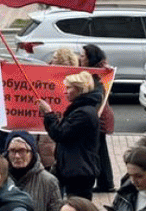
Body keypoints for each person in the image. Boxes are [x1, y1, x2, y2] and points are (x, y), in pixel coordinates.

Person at [38, 71, 103, 199]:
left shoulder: (84, 113)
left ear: (79, 89)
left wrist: (49, 114)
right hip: (74, 168)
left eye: (69, 88)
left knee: (78, 208)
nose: (65, 91)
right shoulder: (82, 109)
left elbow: (60, 134)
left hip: (79, 171)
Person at [3, 130, 63, 211]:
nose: (17, 156)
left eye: (22, 151)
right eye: (13, 151)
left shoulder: (48, 181)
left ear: (32, 153)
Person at [80, 44, 115, 193]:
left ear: (90, 58)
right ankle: (106, 182)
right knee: (101, 151)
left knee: (99, 151)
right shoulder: (94, 71)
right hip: (98, 117)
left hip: (98, 118)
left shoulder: (98, 74)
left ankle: (106, 183)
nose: (80, 58)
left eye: (83, 56)